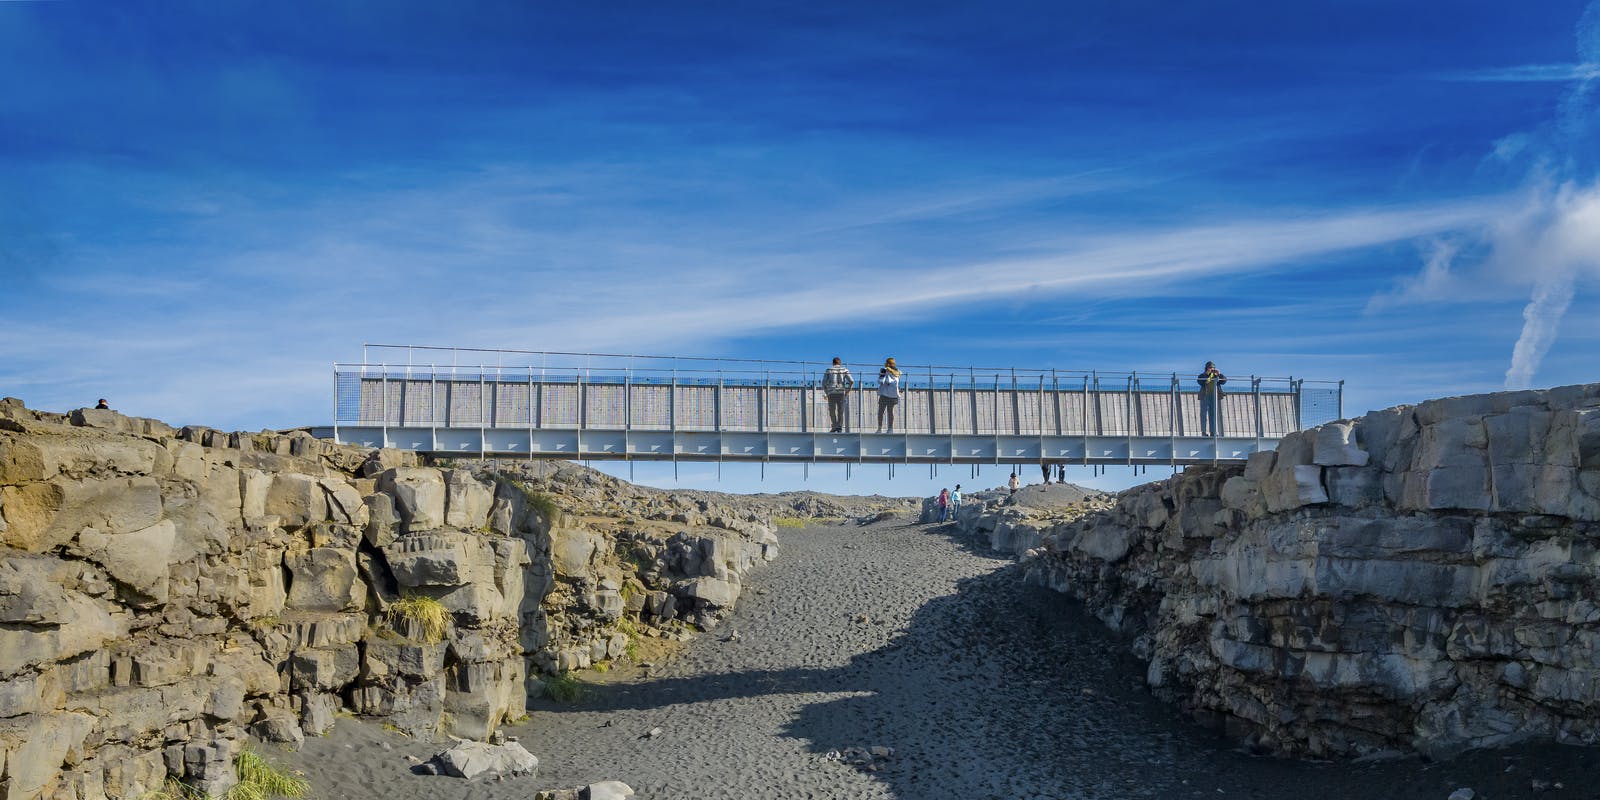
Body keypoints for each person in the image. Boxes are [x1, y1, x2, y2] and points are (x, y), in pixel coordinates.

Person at [821, 357, 854, 433]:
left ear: (833, 363)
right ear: (840, 363)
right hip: (841, 392)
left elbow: (823, 383)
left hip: (831, 392)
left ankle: (834, 426)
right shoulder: (844, 370)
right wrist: (848, 390)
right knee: (840, 411)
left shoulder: (829, 370)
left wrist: (826, 392)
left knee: (832, 410)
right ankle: (839, 427)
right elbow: (852, 381)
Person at [1197, 361, 1227, 436]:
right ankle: (1203, 432)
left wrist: (1219, 374)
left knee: (1213, 414)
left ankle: (1213, 432)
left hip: (1214, 396)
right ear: (1206, 368)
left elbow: (1224, 381)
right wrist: (1207, 374)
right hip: (1204, 396)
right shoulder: (1202, 375)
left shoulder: (1216, 376)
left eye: (1213, 368)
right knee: (1203, 414)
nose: (1211, 369)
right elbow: (1200, 381)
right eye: (1210, 368)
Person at [876, 357, 901, 433]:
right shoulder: (898, 372)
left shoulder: (884, 370)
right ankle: (890, 429)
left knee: (881, 412)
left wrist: (882, 375)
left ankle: (879, 429)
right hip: (893, 395)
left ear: (887, 363)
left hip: (884, 394)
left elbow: (880, 381)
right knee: (890, 412)